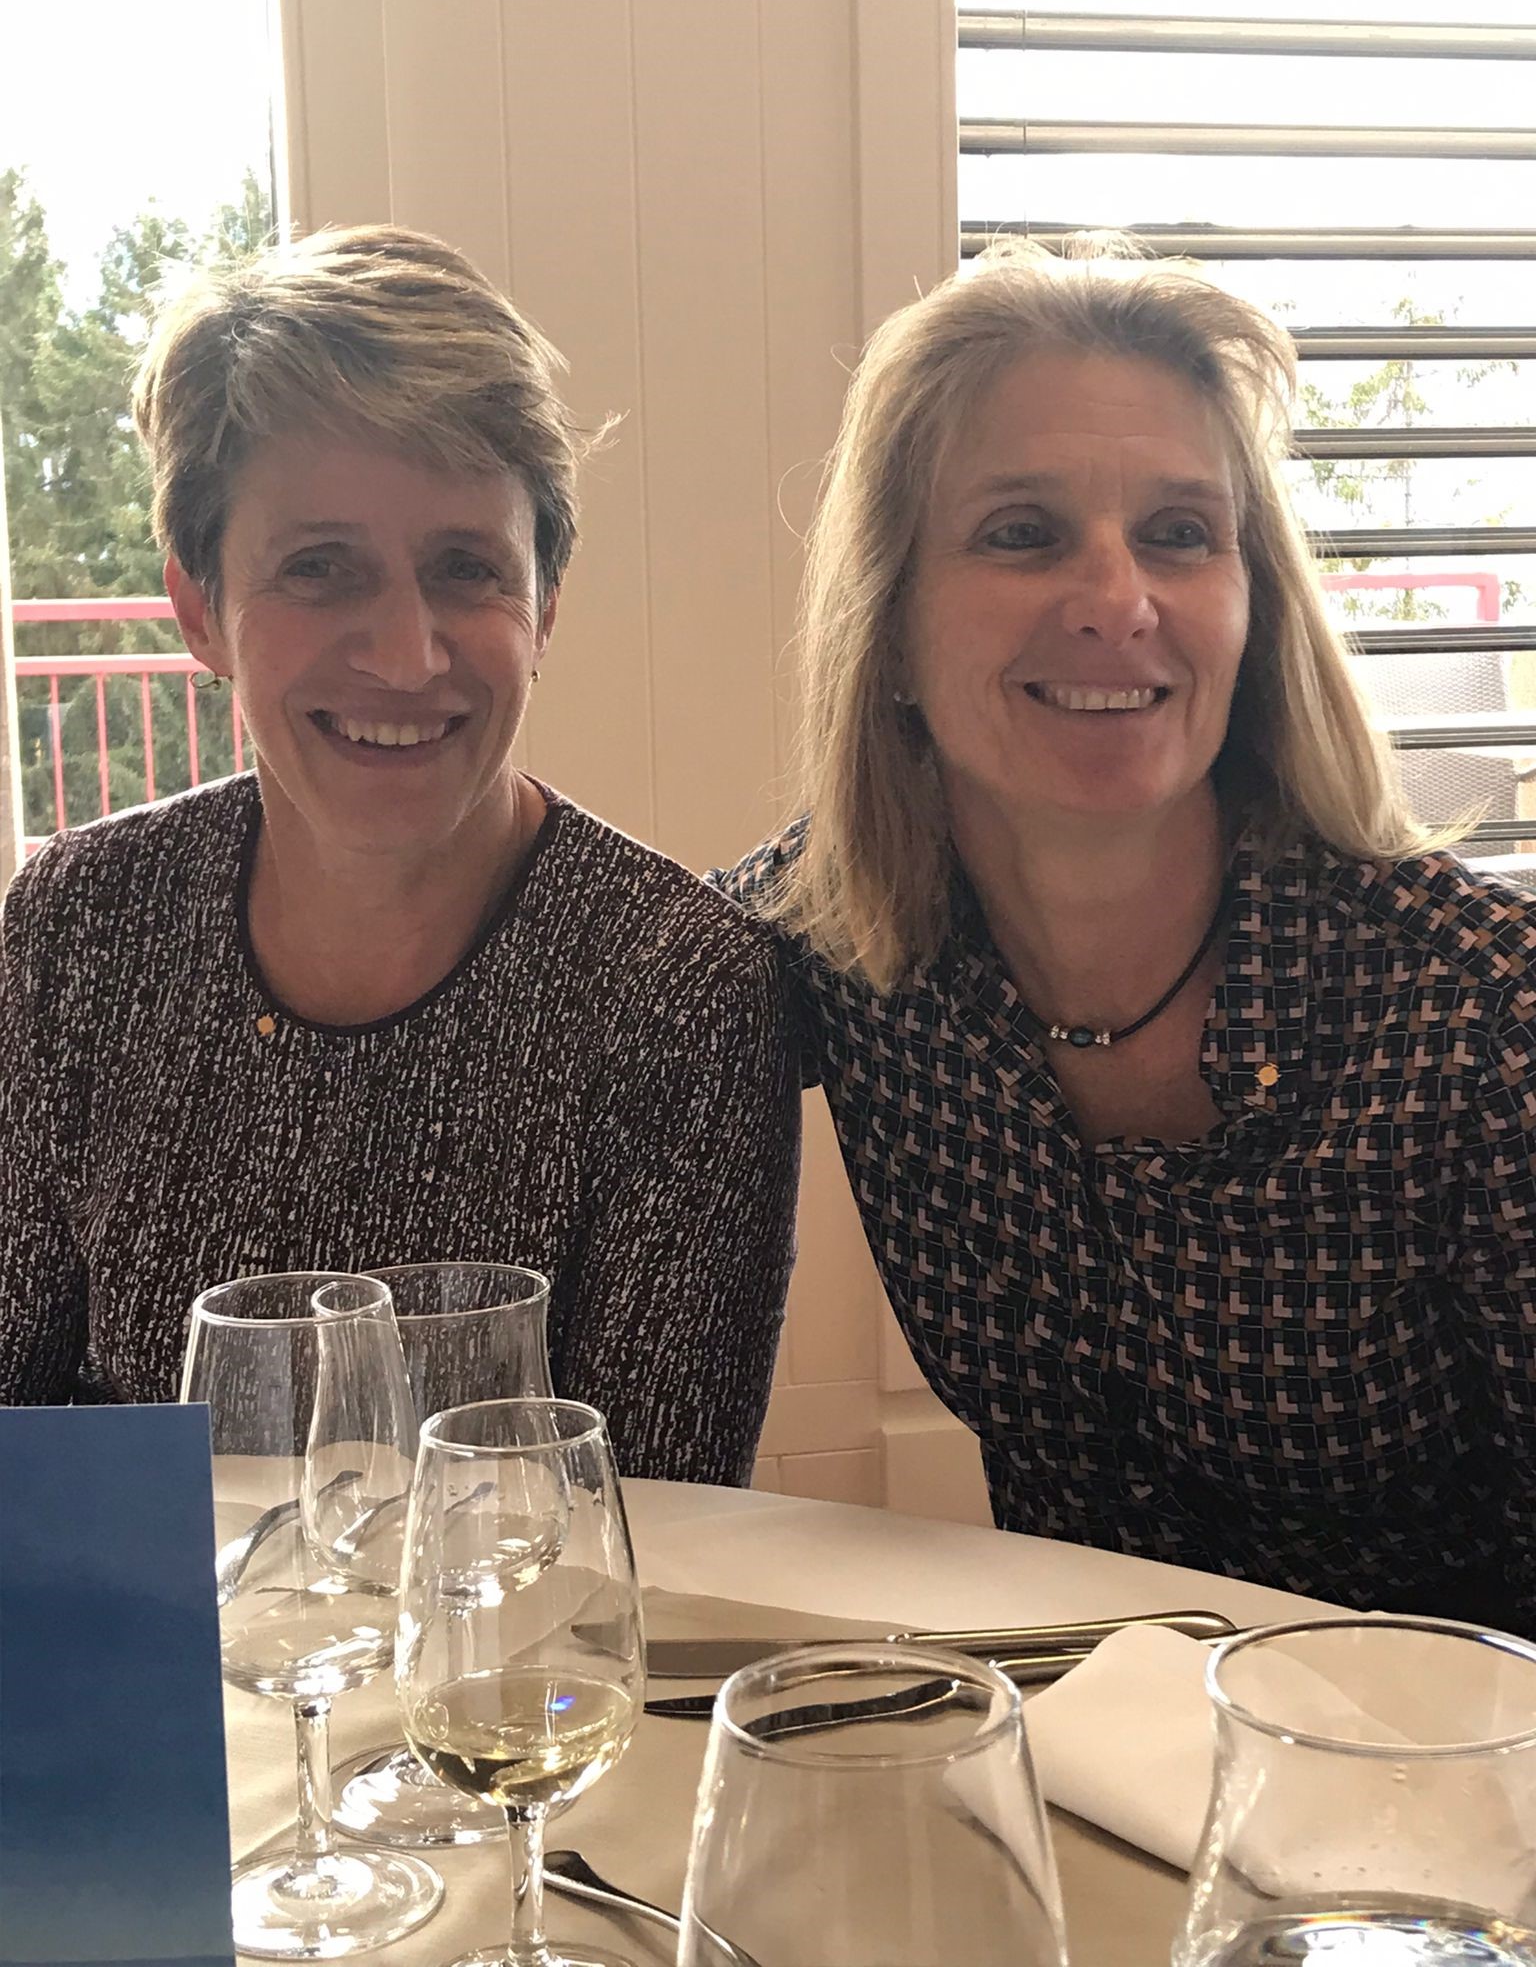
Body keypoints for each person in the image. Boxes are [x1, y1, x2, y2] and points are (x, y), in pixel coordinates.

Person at [717, 236, 1536, 1630]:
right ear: (891, 627)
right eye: (1022, 533)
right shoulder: (841, 941)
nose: (1117, 600)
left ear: (1251, 608)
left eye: (1179, 533)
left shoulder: (1479, 1020)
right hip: (1080, 1736)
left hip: (1454, 1752)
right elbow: (609, 972)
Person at [0, 225, 799, 1486]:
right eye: (320, 569)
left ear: (545, 607)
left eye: (466, 569)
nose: (407, 653)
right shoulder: (79, 922)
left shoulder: (675, 987)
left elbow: (649, 1518)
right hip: (136, 1615)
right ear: (201, 608)